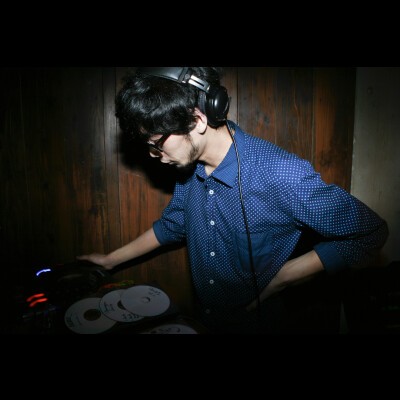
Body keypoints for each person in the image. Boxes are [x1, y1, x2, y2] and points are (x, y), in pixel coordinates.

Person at [78, 67, 389, 334]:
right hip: (205, 320)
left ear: (197, 119)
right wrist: (110, 260)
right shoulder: (187, 170)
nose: (153, 154)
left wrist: (281, 278)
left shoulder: (281, 173)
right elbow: (173, 225)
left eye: (156, 143)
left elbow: (370, 232)